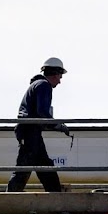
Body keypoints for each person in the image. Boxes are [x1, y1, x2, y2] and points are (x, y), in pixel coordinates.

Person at [7, 57, 72, 192]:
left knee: (44, 166)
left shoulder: (37, 85)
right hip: (30, 130)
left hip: (30, 130)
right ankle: (10, 198)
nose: (59, 81)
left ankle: (55, 195)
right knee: (24, 168)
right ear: (54, 74)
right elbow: (42, 113)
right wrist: (58, 126)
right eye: (60, 77)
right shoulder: (44, 86)